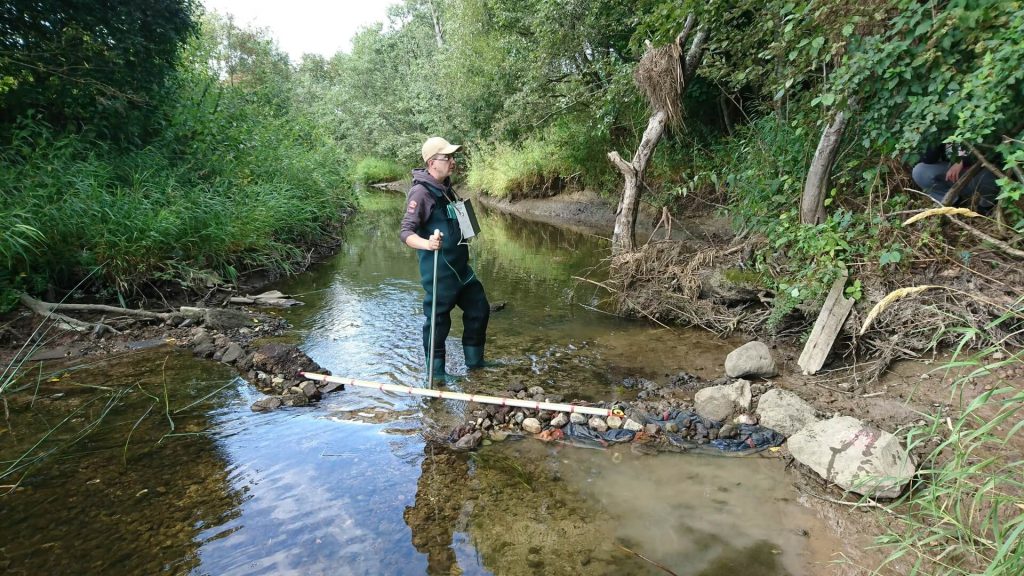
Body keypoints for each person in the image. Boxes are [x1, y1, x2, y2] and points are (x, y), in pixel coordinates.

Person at [400, 136, 491, 383]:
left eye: (453, 156)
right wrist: (427, 244)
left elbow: (464, 223)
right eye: (447, 157)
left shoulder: (447, 188)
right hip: (439, 270)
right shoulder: (420, 192)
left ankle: (475, 364)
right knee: (438, 321)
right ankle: (438, 374)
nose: (453, 161)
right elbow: (406, 232)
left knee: (479, 309)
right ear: (432, 162)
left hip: (461, 269)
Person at [912, 141, 1000, 212]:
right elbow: (928, 159)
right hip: (952, 175)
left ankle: (987, 205)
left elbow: (989, 152)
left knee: (989, 174)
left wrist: (962, 161)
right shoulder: (941, 129)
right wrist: (935, 134)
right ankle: (952, 201)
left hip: (978, 172)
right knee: (920, 171)